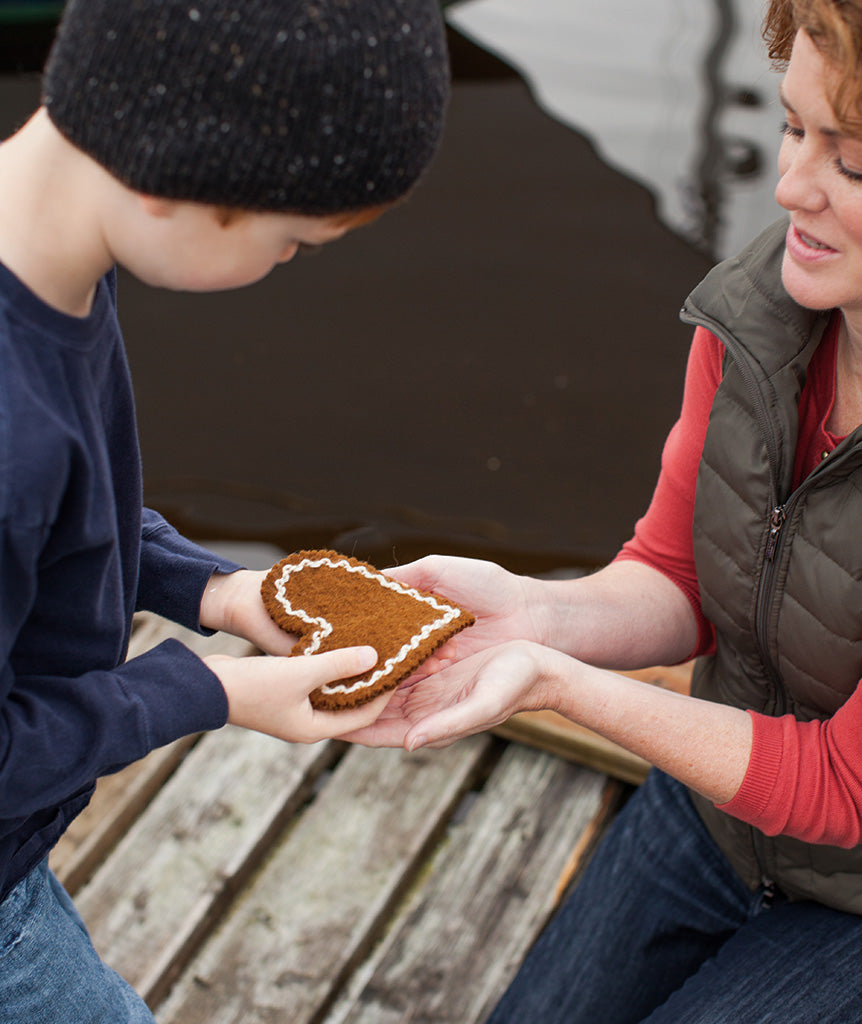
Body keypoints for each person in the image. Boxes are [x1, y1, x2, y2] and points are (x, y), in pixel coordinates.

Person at [347, 1, 862, 1021]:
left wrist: (560, 685)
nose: (788, 185)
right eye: (793, 126)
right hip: (718, 807)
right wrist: (532, 615)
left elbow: (844, 788)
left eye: (850, 164)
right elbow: (677, 575)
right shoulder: (754, 321)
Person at [0, 1, 448, 1021]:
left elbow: (74, 519)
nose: (290, 263)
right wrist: (215, 693)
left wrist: (216, 589)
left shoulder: (47, 254)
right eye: (296, 240)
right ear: (174, 185)